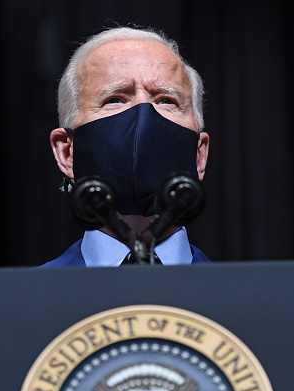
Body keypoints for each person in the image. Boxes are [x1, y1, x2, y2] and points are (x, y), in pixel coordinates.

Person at [41, 26, 210, 268]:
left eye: (166, 100)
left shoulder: (245, 302)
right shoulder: (19, 302)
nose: (144, 114)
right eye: (114, 99)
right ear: (67, 152)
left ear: (199, 154)